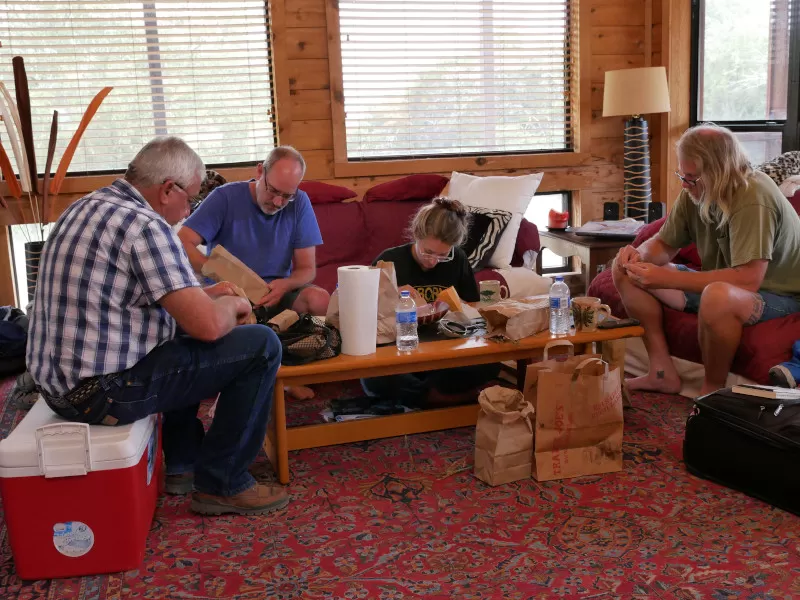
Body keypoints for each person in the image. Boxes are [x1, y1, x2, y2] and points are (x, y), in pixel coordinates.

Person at [27, 136, 288, 516]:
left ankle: (182, 464)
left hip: (57, 387)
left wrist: (205, 293)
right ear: (168, 189)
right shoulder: (146, 226)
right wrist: (233, 303)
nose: (187, 212)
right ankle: (223, 483)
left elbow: (145, 295)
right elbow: (209, 328)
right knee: (262, 345)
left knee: (174, 334)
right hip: (99, 395)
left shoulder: (85, 205)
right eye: (190, 200)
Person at [612, 123, 800, 396]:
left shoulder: (754, 196)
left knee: (717, 297)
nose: (684, 184)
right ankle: (661, 372)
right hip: (724, 285)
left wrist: (668, 277)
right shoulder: (696, 189)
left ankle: (711, 392)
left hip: (781, 295)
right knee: (624, 269)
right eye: (682, 175)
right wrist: (638, 254)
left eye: (691, 178)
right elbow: (664, 243)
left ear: (719, 173)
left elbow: (748, 279)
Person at [178, 145, 328, 400]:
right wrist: (212, 272)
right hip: (232, 294)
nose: (279, 202)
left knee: (320, 299)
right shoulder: (225, 197)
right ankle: (272, 377)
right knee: (231, 313)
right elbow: (182, 240)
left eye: (287, 196)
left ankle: (294, 371)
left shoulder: (300, 202)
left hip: (276, 295)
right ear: (260, 171)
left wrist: (286, 284)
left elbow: (307, 269)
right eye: (273, 191)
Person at [361, 197, 500, 407]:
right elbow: (365, 318)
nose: (433, 261)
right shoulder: (389, 261)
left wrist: (459, 306)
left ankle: (424, 392)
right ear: (417, 235)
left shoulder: (458, 259)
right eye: (427, 251)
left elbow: (473, 307)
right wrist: (391, 297)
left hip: (443, 349)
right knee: (374, 376)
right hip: (401, 349)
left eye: (443, 255)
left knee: (491, 363)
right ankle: (437, 395)